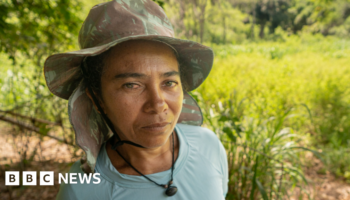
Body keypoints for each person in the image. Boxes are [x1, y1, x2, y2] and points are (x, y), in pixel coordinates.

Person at [44, 0, 228, 199]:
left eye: (169, 82)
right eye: (131, 85)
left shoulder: (208, 147)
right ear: (97, 99)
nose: (158, 105)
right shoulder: (81, 189)